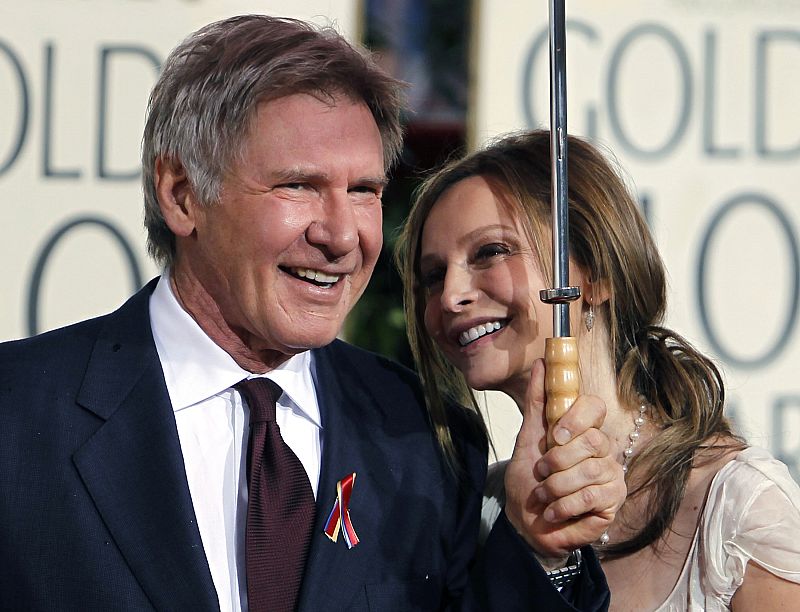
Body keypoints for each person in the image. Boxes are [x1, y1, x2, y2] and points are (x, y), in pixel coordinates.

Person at [0, 16, 626, 612]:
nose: (341, 235)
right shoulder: (18, 411)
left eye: (365, 192)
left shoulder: (424, 441)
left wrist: (543, 552)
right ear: (183, 195)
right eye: (298, 186)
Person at [396, 128, 800, 610]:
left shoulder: (737, 507)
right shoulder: (475, 513)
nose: (449, 296)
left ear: (595, 275)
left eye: (490, 252)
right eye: (433, 275)